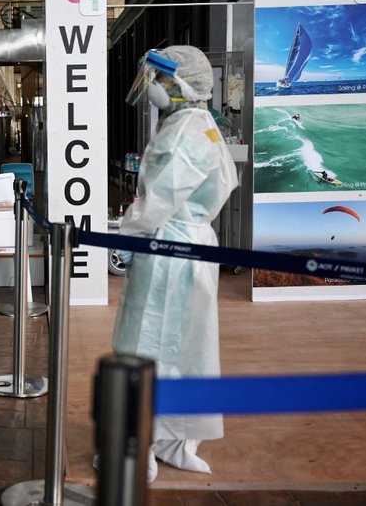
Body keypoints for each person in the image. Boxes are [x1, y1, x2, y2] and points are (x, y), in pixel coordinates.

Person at [116, 46, 238, 482]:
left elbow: (159, 201)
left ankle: (138, 450)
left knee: (148, 346)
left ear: (180, 83)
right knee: (191, 351)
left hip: (168, 249)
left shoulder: (180, 132)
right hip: (196, 248)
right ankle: (178, 444)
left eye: (160, 79)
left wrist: (121, 232)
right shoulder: (203, 124)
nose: (153, 88)